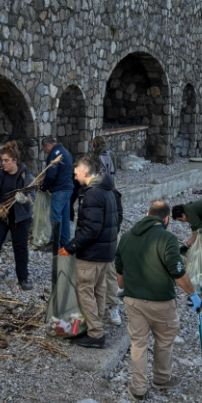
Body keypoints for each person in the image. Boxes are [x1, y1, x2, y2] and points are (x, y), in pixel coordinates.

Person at [115, 201, 202, 400]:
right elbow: (177, 271)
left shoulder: (127, 237)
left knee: (138, 344)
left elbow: (119, 271)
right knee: (163, 341)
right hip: (161, 302)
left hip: (133, 300)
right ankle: (161, 379)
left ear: (147, 214)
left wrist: (125, 289)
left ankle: (138, 388)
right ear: (166, 219)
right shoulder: (167, 238)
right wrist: (193, 294)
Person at [59, 158, 119, 348]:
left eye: (76, 173)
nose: (75, 176)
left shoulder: (92, 195)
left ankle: (95, 333)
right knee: (98, 290)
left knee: (85, 291)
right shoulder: (108, 191)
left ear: (84, 172)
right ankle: (96, 326)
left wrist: (70, 247)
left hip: (92, 254)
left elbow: (91, 229)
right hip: (106, 251)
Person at [0, 141, 35, 291]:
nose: (3, 163)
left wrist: (25, 199)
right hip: (1, 215)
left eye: (6, 161)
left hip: (20, 218)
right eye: (2, 160)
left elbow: (33, 197)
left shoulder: (26, 175)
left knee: (20, 247)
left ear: (14, 161)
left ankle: (23, 278)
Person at [91, 136, 123, 325]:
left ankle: (106, 306)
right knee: (108, 271)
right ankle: (110, 307)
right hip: (108, 238)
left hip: (102, 239)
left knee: (101, 271)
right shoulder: (113, 193)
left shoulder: (95, 194)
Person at [40, 137, 74, 247]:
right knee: (65, 216)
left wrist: (44, 187)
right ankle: (65, 241)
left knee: (56, 217)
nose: (46, 151)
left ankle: (54, 243)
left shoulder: (55, 154)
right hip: (68, 188)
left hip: (59, 189)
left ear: (48, 146)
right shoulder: (66, 152)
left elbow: (50, 174)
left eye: (45, 149)